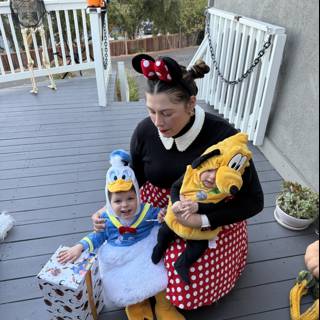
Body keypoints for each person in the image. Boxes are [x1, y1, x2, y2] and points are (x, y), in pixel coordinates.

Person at [93, 54, 264, 314]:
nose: (158, 123)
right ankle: (142, 296)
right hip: (158, 207)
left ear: (191, 103)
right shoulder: (144, 131)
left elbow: (254, 200)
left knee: (183, 278)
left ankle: (164, 295)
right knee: (124, 249)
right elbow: (135, 178)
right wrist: (109, 208)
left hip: (210, 215)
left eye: (167, 113)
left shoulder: (225, 138)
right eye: (151, 111)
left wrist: (204, 220)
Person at [58, 149, 180, 320]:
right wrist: (79, 247)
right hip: (121, 257)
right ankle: (138, 306)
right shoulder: (107, 220)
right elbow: (97, 237)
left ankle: (164, 306)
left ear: (138, 196)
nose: (125, 205)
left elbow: (161, 215)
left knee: (159, 273)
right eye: (117, 201)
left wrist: (162, 215)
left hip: (145, 250)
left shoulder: (146, 211)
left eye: (130, 198)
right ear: (109, 202)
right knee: (127, 284)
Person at [151, 132, 252, 284]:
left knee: (199, 246)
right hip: (177, 214)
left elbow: (215, 207)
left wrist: (198, 206)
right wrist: (176, 201)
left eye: (217, 174)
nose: (211, 177)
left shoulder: (219, 192)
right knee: (165, 231)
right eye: (210, 170)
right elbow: (175, 187)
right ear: (203, 163)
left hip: (199, 225)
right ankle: (160, 246)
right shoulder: (190, 174)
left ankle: (182, 263)